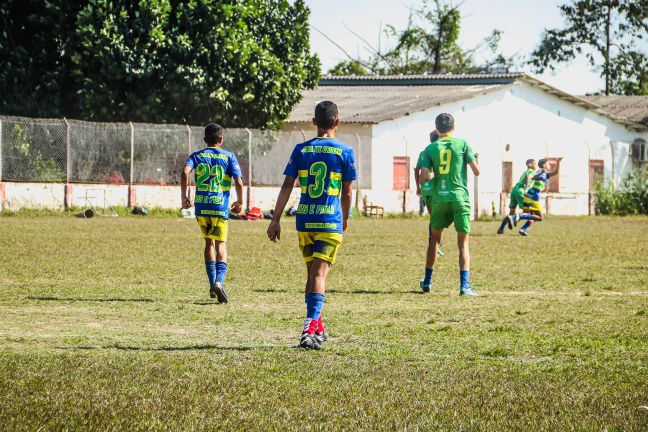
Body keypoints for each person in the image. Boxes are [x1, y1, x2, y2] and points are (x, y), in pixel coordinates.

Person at [267, 101, 356, 350]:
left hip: (305, 220)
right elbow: (347, 193)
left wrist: (275, 219)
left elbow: (287, 186)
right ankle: (309, 326)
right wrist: (345, 217)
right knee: (319, 275)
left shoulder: (301, 150)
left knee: (312, 275)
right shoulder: (345, 152)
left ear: (314, 122)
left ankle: (318, 326)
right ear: (337, 122)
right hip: (329, 220)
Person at [418, 113, 480, 296]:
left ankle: (427, 282)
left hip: (439, 198)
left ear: (436, 128)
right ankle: (464, 286)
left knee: (434, 241)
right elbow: (477, 171)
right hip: (460, 197)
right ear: (454, 127)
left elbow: (423, 177)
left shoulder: (429, 149)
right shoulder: (463, 144)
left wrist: (434, 175)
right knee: (463, 243)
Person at [181, 123, 244, 303]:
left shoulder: (197, 156)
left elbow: (185, 172)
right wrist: (239, 202)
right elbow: (239, 182)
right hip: (219, 206)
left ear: (204, 140)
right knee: (221, 245)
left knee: (209, 243)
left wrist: (185, 197)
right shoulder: (229, 156)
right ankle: (219, 282)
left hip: (202, 206)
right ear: (221, 139)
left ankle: (212, 284)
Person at [414, 130, 443, 256]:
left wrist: (418, 187)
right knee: (437, 218)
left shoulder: (423, 152)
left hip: (425, 189)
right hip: (436, 189)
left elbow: (417, 170)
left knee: (434, 217)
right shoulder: (439, 152)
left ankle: (435, 244)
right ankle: (435, 245)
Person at [517, 158, 560, 236]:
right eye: (548, 164)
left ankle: (522, 229)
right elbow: (534, 177)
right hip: (532, 196)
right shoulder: (540, 171)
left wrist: (558, 162)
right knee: (540, 217)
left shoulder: (545, 173)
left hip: (530, 196)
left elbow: (555, 172)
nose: (549, 165)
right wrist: (540, 174)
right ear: (544, 165)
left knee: (534, 217)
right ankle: (520, 216)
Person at [497, 159, 538, 234]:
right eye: (535, 164)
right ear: (530, 165)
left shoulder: (525, 172)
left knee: (511, 212)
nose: (537, 165)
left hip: (514, 190)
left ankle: (501, 228)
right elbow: (529, 177)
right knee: (534, 215)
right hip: (521, 191)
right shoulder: (531, 171)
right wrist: (527, 188)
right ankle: (523, 229)